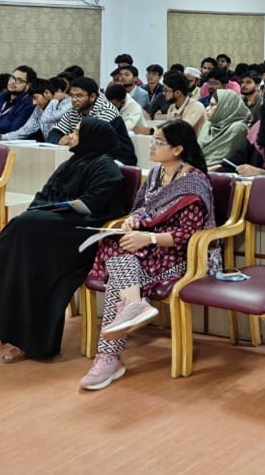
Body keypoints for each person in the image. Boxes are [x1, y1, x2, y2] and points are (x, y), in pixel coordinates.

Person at [0, 118, 126, 361]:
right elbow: (44, 194)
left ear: (92, 137)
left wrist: (44, 214)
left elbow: (94, 205)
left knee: (25, 227)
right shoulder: (72, 163)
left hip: (79, 237)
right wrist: (39, 211)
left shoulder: (107, 168)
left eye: (76, 132)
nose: (70, 135)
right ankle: (4, 323)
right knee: (19, 252)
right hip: (53, 230)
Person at [81, 121, 220, 390]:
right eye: (153, 141)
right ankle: (133, 307)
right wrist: (133, 220)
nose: (152, 147)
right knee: (115, 244)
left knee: (120, 274)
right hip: (149, 249)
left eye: (159, 142)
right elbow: (142, 209)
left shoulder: (194, 182)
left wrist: (149, 238)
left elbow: (189, 235)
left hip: (182, 255)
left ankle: (108, 357)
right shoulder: (156, 174)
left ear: (178, 149)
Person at [198, 89, 251, 166]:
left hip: (220, 171)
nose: (207, 108)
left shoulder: (238, 128)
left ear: (225, 107)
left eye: (212, 105)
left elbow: (228, 161)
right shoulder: (209, 123)